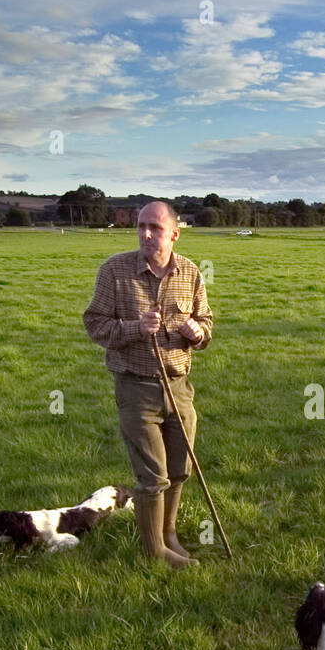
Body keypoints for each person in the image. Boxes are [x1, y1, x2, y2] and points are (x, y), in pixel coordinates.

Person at [83, 201, 212, 567]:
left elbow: (207, 322)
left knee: (179, 468)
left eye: (154, 227)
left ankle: (168, 533)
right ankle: (153, 550)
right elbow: (94, 324)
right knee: (152, 475)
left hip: (179, 385)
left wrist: (197, 332)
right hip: (135, 386)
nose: (145, 234)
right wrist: (134, 328)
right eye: (141, 226)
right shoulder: (114, 271)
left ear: (174, 232)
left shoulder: (189, 272)